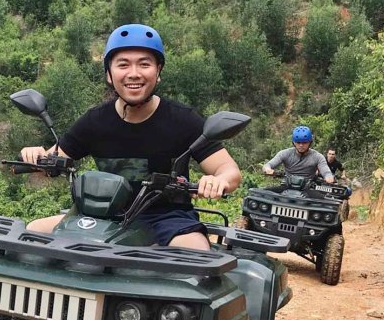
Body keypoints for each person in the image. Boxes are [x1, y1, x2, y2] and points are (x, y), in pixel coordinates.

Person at [19, 24, 242, 250]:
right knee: (34, 231)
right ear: (109, 73)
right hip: (102, 216)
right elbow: (51, 162)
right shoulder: (94, 121)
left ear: (158, 71)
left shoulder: (182, 120)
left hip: (166, 218)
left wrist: (217, 181)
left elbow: (229, 171)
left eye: (144, 64)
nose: (134, 73)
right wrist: (36, 156)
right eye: (123, 64)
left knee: (195, 248)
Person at [261, 126, 335, 183]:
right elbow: (268, 165)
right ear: (293, 142)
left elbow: (326, 171)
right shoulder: (285, 153)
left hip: (308, 188)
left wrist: (329, 177)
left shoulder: (318, 157)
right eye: (298, 142)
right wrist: (268, 169)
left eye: (304, 142)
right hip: (287, 185)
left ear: (310, 142)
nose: (301, 145)